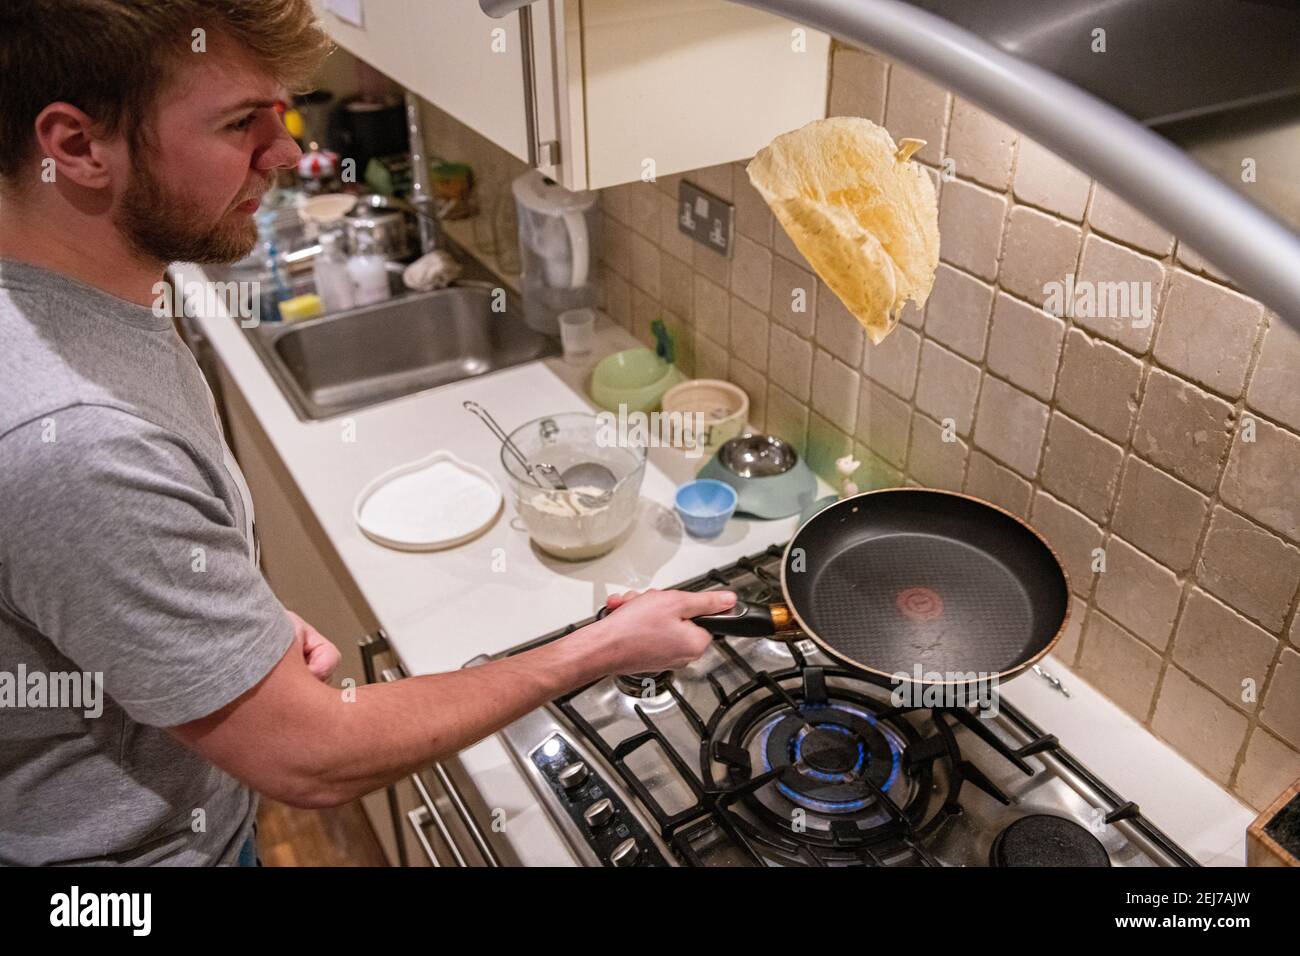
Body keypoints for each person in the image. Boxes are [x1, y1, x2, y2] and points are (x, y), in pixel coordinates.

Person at [0, 0, 735, 866]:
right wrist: (600, 649)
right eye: (241, 121)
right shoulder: (79, 440)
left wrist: (232, 622)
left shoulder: (75, 304)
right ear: (79, 148)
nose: (286, 151)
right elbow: (312, 756)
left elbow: (78, 578)